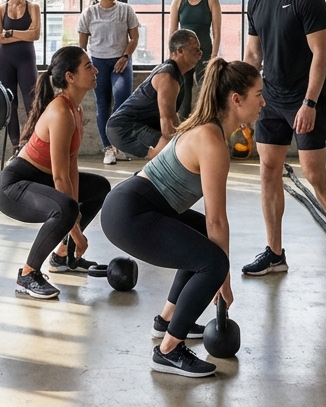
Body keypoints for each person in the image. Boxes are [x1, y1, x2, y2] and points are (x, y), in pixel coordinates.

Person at [102, 58, 263, 378]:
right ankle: (169, 350)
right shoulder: (211, 140)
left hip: (137, 206)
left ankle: (167, 322)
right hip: (130, 212)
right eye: (258, 94)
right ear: (236, 100)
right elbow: (217, 220)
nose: (263, 101)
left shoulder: (211, 130)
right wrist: (223, 279)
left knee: (204, 245)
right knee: (214, 262)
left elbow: (210, 226)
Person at [242, 0, 326, 275]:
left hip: (305, 99)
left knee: (313, 173)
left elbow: (321, 56)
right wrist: (245, 98)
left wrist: (309, 103)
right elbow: (252, 53)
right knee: (267, 172)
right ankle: (275, 252)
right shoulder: (256, 1)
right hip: (270, 100)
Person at [0, 46, 112, 300]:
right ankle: (27, 275)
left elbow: (71, 169)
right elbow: (60, 178)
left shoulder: (76, 110)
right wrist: (77, 233)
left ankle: (62, 256)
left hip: (39, 179)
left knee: (99, 187)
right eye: (88, 66)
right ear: (70, 76)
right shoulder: (60, 112)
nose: (96, 70)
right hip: (13, 186)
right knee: (65, 208)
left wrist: (74, 230)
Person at [106, 29, 200, 161]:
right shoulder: (167, 76)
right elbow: (167, 121)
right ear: (180, 51)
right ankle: (149, 178)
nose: (200, 53)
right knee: (170, 149)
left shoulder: (176, 74)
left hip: (135, 125)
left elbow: (172, 117)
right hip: (123, 128)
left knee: (176, 146)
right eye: (195, 49)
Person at [77, 0, 141, 165]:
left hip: (121, 61)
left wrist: (125, 57)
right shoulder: (90, 13)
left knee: (121, 98)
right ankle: (108, 148)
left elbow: (134, 38)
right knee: (102, 104)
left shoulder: (125, 10)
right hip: (98, 62)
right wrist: (88, 65)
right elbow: (82, 46)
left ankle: (119, 144)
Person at [168, 0, 222, 117]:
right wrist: (172, 58)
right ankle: (184, 136)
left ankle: (205, 132)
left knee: (206, 96)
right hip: (182, 55)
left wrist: (213, 58)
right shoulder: (178, 1)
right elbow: (172, 33)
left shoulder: (212, 1)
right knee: (183, 99)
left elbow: (217, 33)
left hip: (204, 54)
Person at [0, 0, 40, 145]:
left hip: (26, 59)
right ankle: (15, 145)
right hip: (5, 59)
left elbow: (35, 35)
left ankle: (33, 142)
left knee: (32, 102)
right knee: (9, 102)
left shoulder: (33, 7)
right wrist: (24, 34)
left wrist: (10, 33)